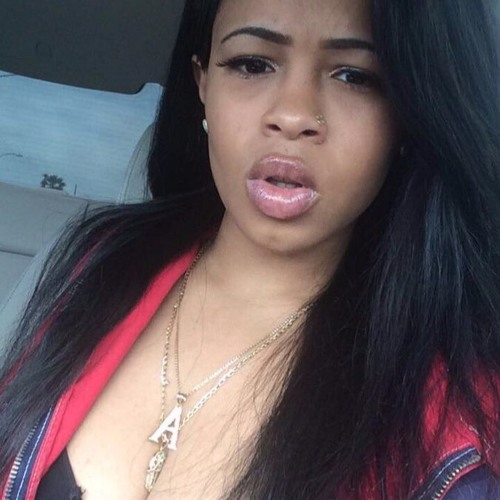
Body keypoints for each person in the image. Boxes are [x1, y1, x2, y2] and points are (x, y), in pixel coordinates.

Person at [0, 0, 499, 498]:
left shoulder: (448, 426)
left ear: (407, 115)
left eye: (354, 76)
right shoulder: (100, 263)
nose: (293, 115)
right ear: (203, 84)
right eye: (252, 64)